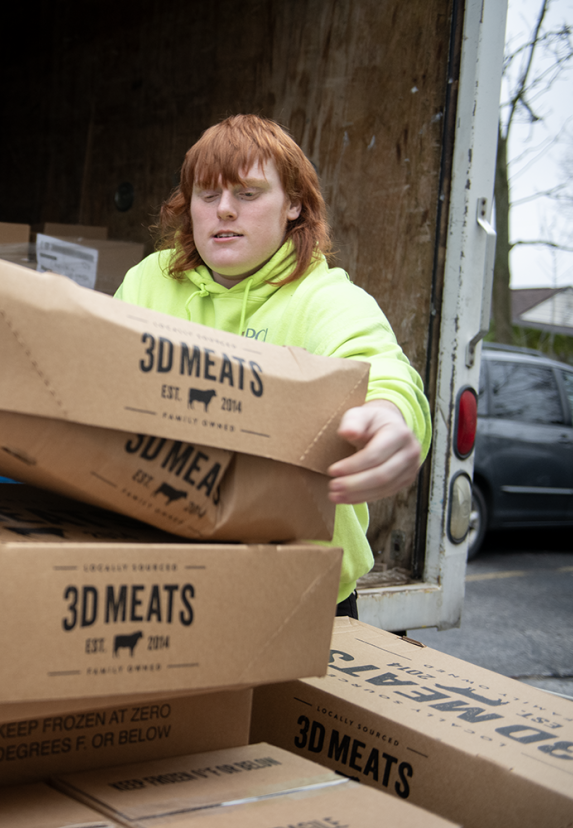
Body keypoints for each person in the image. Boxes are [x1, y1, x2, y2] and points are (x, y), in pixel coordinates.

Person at [114, 114, 431, 618]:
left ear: (293, 205)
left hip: (298, 596)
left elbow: (381, 369)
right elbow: (89, 368)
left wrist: (390, 416)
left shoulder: (322, 296)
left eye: (247, 194)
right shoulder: (147, 281)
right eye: (206, 194)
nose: (223, 211)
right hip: (164, 582)